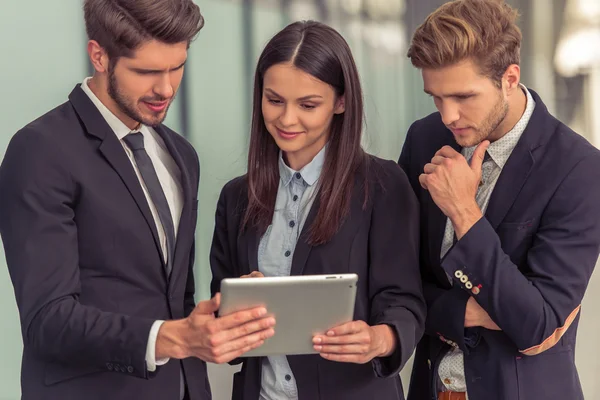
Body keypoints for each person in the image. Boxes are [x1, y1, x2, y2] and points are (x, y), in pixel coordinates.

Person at [0, 1, 275, 399]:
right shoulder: (40, 151)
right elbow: (48, 320)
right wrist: (170, 338)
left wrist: (218, 313)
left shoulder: (180, 155)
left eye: (177, 66)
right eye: (146, 71)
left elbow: (169, 297)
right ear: (99, 55)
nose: (165, 88)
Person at [209, 20, 426, 400]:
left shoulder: (382, 185)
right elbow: (219, 314)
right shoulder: (236, 198)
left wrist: (379, 338)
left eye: (308, 105)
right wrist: (236, 312)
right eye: (274, 100)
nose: (287, 119)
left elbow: (404, 300)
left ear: (341, 102)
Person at [398, 1, 600, 400]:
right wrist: (468, 312)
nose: (448, 115)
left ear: (510, 77)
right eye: (436, 97)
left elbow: (535, 324)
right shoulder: (423, 139)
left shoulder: (579, 169)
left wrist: (463, 211)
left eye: (463, 96)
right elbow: (397, 283)